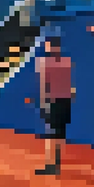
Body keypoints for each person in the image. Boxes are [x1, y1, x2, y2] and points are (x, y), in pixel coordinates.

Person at [35, 33, 74, 176]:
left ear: (50, 46)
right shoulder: (67, 61)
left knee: (50, 135)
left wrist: (43, 103)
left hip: (52, 101)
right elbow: (69, 84)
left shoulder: (44, 62)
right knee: (60, 134)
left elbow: (44, 84)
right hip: (66, 101)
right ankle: (57, 163)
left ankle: (50, 164)